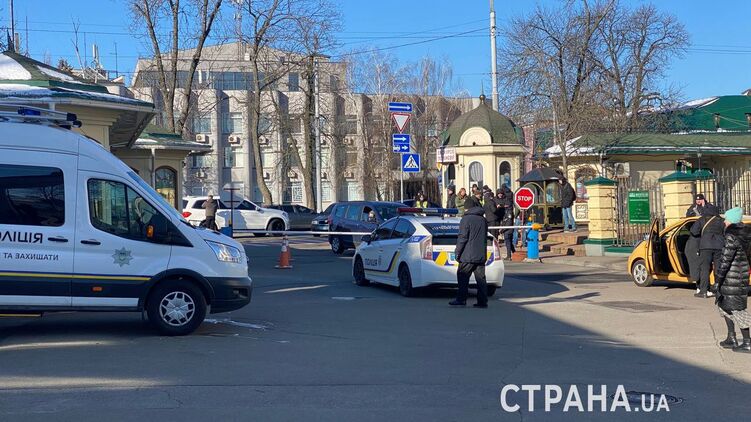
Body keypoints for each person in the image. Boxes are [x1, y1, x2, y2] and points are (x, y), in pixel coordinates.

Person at [712, 207, 751, 353]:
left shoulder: (731, 236)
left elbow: (725, 259)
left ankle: (747, 342)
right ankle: (731, 337)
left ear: (732, 220)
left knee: (738, 309)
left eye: (726, 219)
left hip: (732, 277)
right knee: (724, 305)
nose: (724, 222)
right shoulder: (745, 235)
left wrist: (718, 279)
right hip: (740, 275)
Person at [450, 200, 489, 308]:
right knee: (481, 279)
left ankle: (461, 299)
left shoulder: (466, 219)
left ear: (467, 208)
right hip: (480, 254)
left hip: (468, 255)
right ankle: (482, 301)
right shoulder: (483, 219)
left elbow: (462, 237)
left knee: (462, 277)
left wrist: (457, 252)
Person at [691, 204, 724, 298]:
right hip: (719, 246)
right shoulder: (721, 220)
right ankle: (719, 291)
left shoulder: (701, 219)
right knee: (718, 268)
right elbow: (726, 232)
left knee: (704, 269)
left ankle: (703, 291)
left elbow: (694, 231)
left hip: (705, 246)